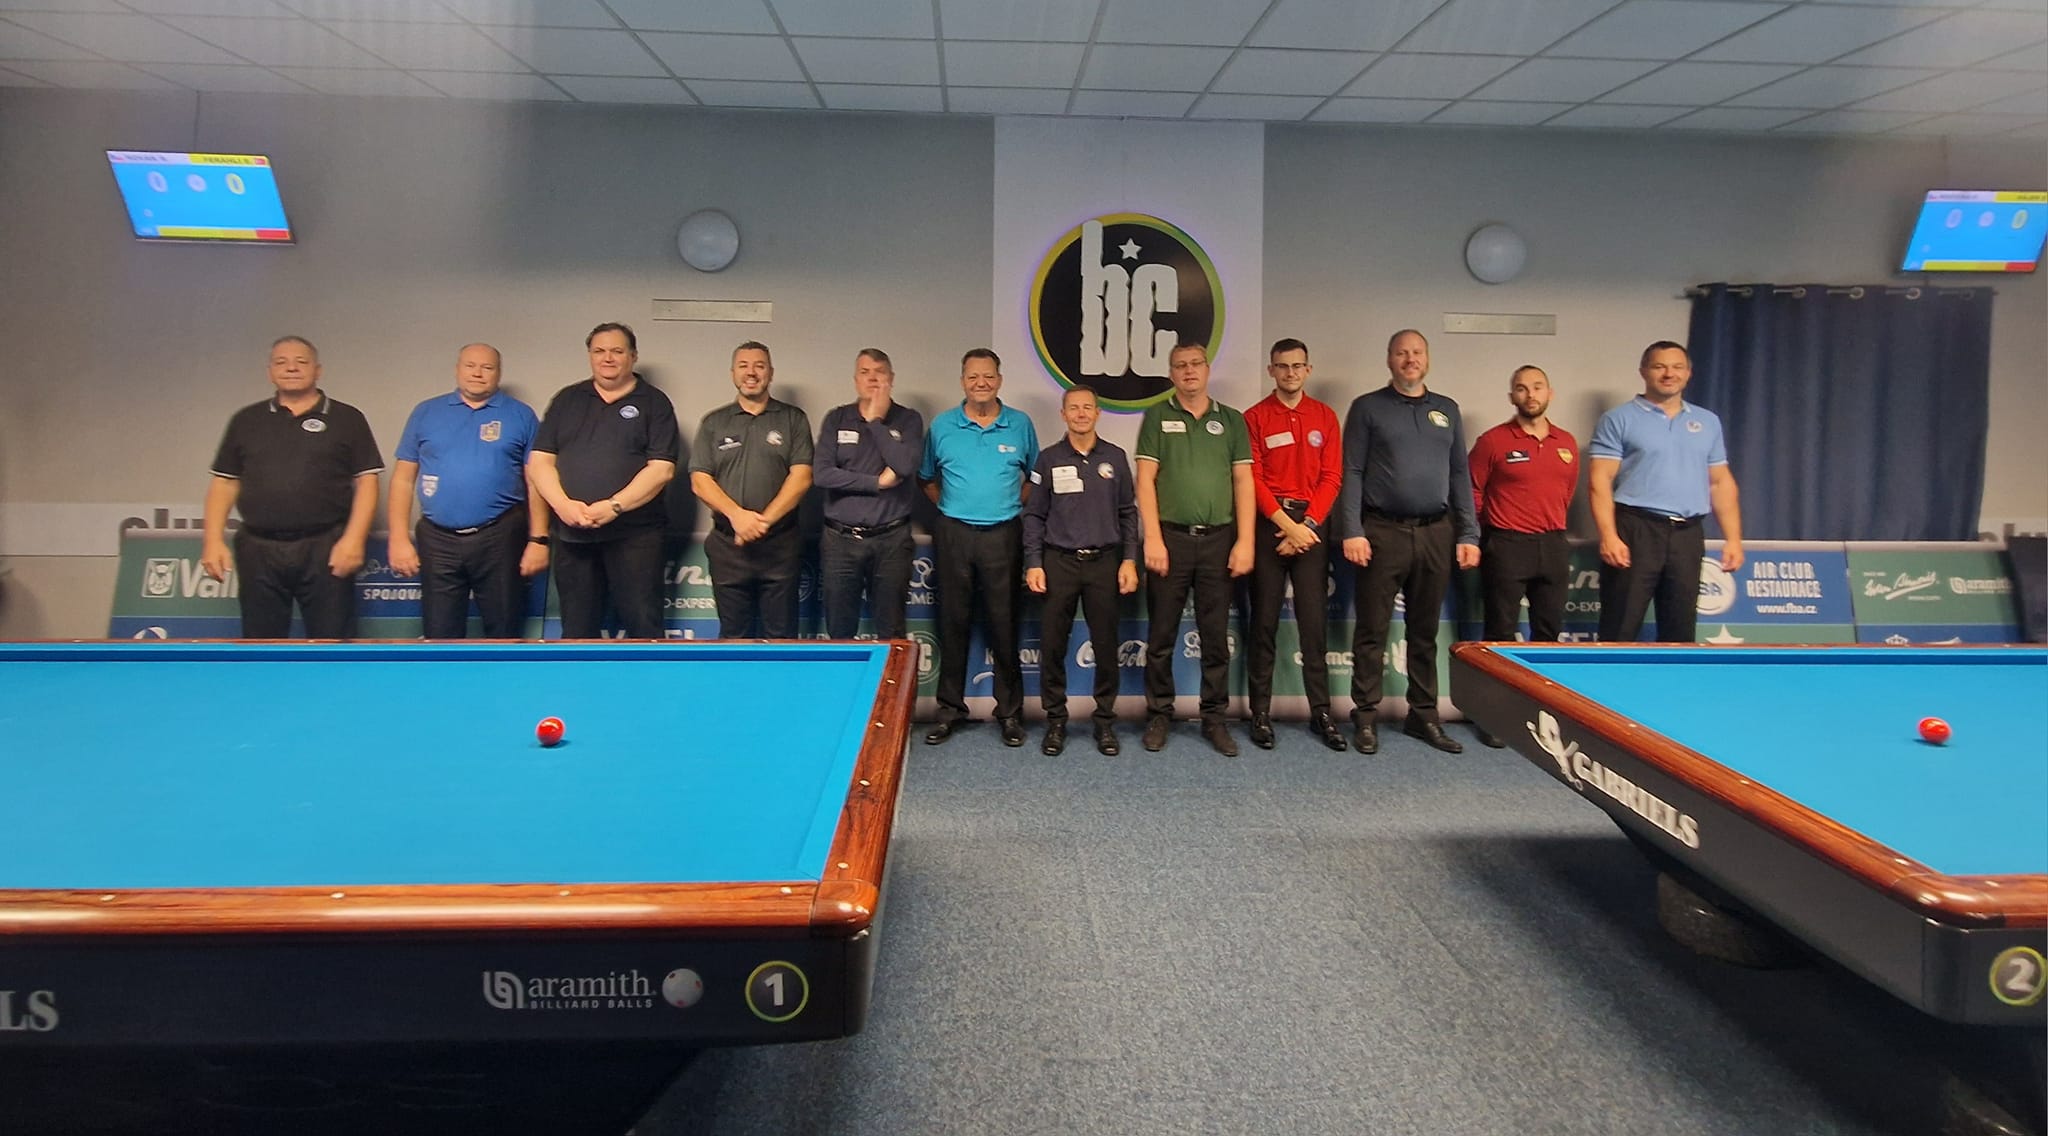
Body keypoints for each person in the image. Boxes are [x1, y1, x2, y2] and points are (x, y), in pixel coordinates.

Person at [1335, 329, 1480, 756]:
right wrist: (1352, 529)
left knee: (1424, 631)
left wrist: (1468, 532)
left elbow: (1459, 474)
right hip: (1382, 532)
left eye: (1417, 352)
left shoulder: (1447, 409)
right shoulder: (1367, 408)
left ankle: (1424, 715)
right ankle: (1365, 716)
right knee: (1372, 629)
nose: (1410, 359)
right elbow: (1352, 471)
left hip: (1437, 531)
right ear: (1389, 359)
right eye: (1402, 353)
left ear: (1427, 359)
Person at [201, 335, 382, 639]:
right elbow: (225, 482)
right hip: (258, 548)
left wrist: (353, 540)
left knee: (332, 643)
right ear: (270, 371)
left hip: (325, 546)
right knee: (261, 644)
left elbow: (367, 482)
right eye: (281, 362)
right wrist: (212, 541)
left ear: (318, 370)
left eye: (301, 362)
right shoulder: (246, 420)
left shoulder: (347, 418)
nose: (291, 368)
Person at [1135, 342, 1255, 757]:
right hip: (1170, 540)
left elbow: (1243, 482)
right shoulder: (1157, 416)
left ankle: (1214, 718)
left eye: (1195, 364)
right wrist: (1152, 537)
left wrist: (1245, 540)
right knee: (1161, 635)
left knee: (1215, 637)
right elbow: (1145, 480)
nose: (1189, 371)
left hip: (1220, 540)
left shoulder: (1232, 420)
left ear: (1207, 369)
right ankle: (1159, 714)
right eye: (1180, 365)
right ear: (1171, 374)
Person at [386, 343, 548, 638]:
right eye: (470, 366)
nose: (477, 373)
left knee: (504, 631)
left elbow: (536, 482)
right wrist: (398, 538)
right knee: (439, 634)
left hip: (500, 535)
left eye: (487, 367)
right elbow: (402, 480)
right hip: (437, 538)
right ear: (457, 369)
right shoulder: (426, 412)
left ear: (499, 373)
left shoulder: (521, 416)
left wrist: (538, 539)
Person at [527, 322, 679, 639]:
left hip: (636, 538)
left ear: (633, 356)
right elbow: (540, 462)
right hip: (573, 535)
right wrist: (562, 505)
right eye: (599, 351)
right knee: (577, 630)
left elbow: (661, 469)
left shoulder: (655, 402)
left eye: (617, 351)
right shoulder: (567, 399)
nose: (607, 358)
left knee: (643, 626)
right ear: (590, 356)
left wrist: (614, 506)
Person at [920, 349, 1039, 748]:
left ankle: (1010, 713)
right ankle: (950, 711)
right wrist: (952, 508)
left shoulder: (1020, 424)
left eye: (988, 376)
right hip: (954, 534)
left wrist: (1008, 505)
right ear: (962, 382)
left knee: (1004, 625)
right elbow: (926, 478)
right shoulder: (942, 425)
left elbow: (1035, 478)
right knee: (952, 624)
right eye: (973, 377)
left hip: (1003, 535)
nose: (981, 383)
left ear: (999, 380)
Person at [1588, 341, 1744, 643]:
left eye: (1677, 367)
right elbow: (1599, 480)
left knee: (1680, 629)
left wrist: (1734, 539)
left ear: (1688, 373)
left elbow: (1720, 482)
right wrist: (1608, 536)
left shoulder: (1708, 422)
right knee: (1620, 625)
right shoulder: (1618, 419)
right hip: (1636, 530)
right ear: (1644, 372)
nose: (1669, 374)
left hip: (1687, 534)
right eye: (1659, 367)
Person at [1465, 364, 1581, 747]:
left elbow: (1566, 492)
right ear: (1512, 396)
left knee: (1547, 636)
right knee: (1500, 635)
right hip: (1507, 545)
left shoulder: (1567, 443)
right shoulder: (1492, 441)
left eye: (1537, 387)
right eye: (1521, 388)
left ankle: (1542, 717)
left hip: (1553, 544)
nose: (1530, 395)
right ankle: (1495, 715)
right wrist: (1488, 532)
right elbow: (1472, 491)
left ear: (1550, 393)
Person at [1024, 386, 1139, 757]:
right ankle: (1055, 720)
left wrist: (1129, 559)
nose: (1081, 413)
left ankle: (1104, 721)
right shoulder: (1048, 459)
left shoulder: (1115, 458)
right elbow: (1034, 515)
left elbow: (1128, 512)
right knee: (1053, 644)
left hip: (1105, 562)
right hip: (1058, 562)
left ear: (1097, 413)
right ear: (1063, 414)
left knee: (1105, 645)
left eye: (1088, 407)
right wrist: (1034, 562)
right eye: (1074, 408)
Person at [1242, 338, 1346, 752]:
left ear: (1308, 370)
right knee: (1263, 624)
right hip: (1271, 525)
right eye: (1282, 366)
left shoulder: (1325, 416)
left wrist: (1306, 527)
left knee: (1313, 626)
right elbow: (1252, 479)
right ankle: (1260, 713)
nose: (1290, 373)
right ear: (1271, 371)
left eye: (1297, 366)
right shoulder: (1255, 417)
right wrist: (1288, 527)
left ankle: (1322, 713)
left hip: (1312, 528)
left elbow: (1332, 477)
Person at [689, 341, 813, 639]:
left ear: (771, 373)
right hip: (728, 545)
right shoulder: (714, 422)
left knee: (781, 637)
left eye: (759, 366)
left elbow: (801, 477)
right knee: (734, 636)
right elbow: (700, 480)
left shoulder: (793, 419)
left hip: (780, 545)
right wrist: (738, 518)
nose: (751, 372)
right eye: (743, 366)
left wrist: (761, 523)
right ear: (733, 373)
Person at [813, 348, 923, 640]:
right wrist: (877, 482)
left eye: (879, 372)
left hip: (891, 541)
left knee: (892, 631)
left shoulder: (908, 419)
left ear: (891, 379)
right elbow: (822, 474)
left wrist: (875, 423)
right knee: (840, 632)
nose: (872, 378)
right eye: (865, 372)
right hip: (840, 541)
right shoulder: (837, 418)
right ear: (855, 380)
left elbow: (905, 465)